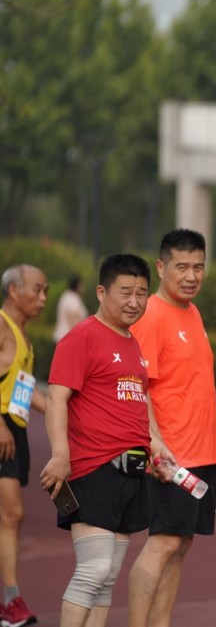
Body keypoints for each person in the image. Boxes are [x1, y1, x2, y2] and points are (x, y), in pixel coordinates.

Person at [38, 254, 174, 627]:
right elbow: (56, 397)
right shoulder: (82, 337)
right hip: (93, 469)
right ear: (101, 292)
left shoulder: (132, 343)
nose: (134, 302)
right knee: (93, 571)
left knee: (108, 577)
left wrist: (156, 445)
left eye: (142, 293)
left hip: (131, 474)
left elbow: (139, 400)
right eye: (125, 292)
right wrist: (61, 455)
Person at [127, 229, 216, 627]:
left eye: (198, 267)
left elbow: (201, 378)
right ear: (161, 267)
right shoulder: (151, 315)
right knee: (164, 541)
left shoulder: (192, 312)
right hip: (171, 453)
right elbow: (139, 386)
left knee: (181, 543)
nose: (191, 276)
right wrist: (153, 442)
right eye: (182, 267)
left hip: (200, 449)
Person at [0, 265, 48, 627]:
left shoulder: (24, 336)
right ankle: (10, 601)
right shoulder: (1, 325)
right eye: (37, 289)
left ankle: (10, 601)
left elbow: (24, 390)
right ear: (14, 291)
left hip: (14, 429)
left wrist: (68, 413)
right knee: (12, 515)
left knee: (12, 518)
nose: (43, 298)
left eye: (45, 291)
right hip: (2, 428)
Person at [52, 275, 88, 344]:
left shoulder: (68, 296)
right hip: (67, 340)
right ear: (78, 286)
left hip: (65, 338)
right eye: (82, 285)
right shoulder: (71, 298)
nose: (83, 287)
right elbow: (73, 318)